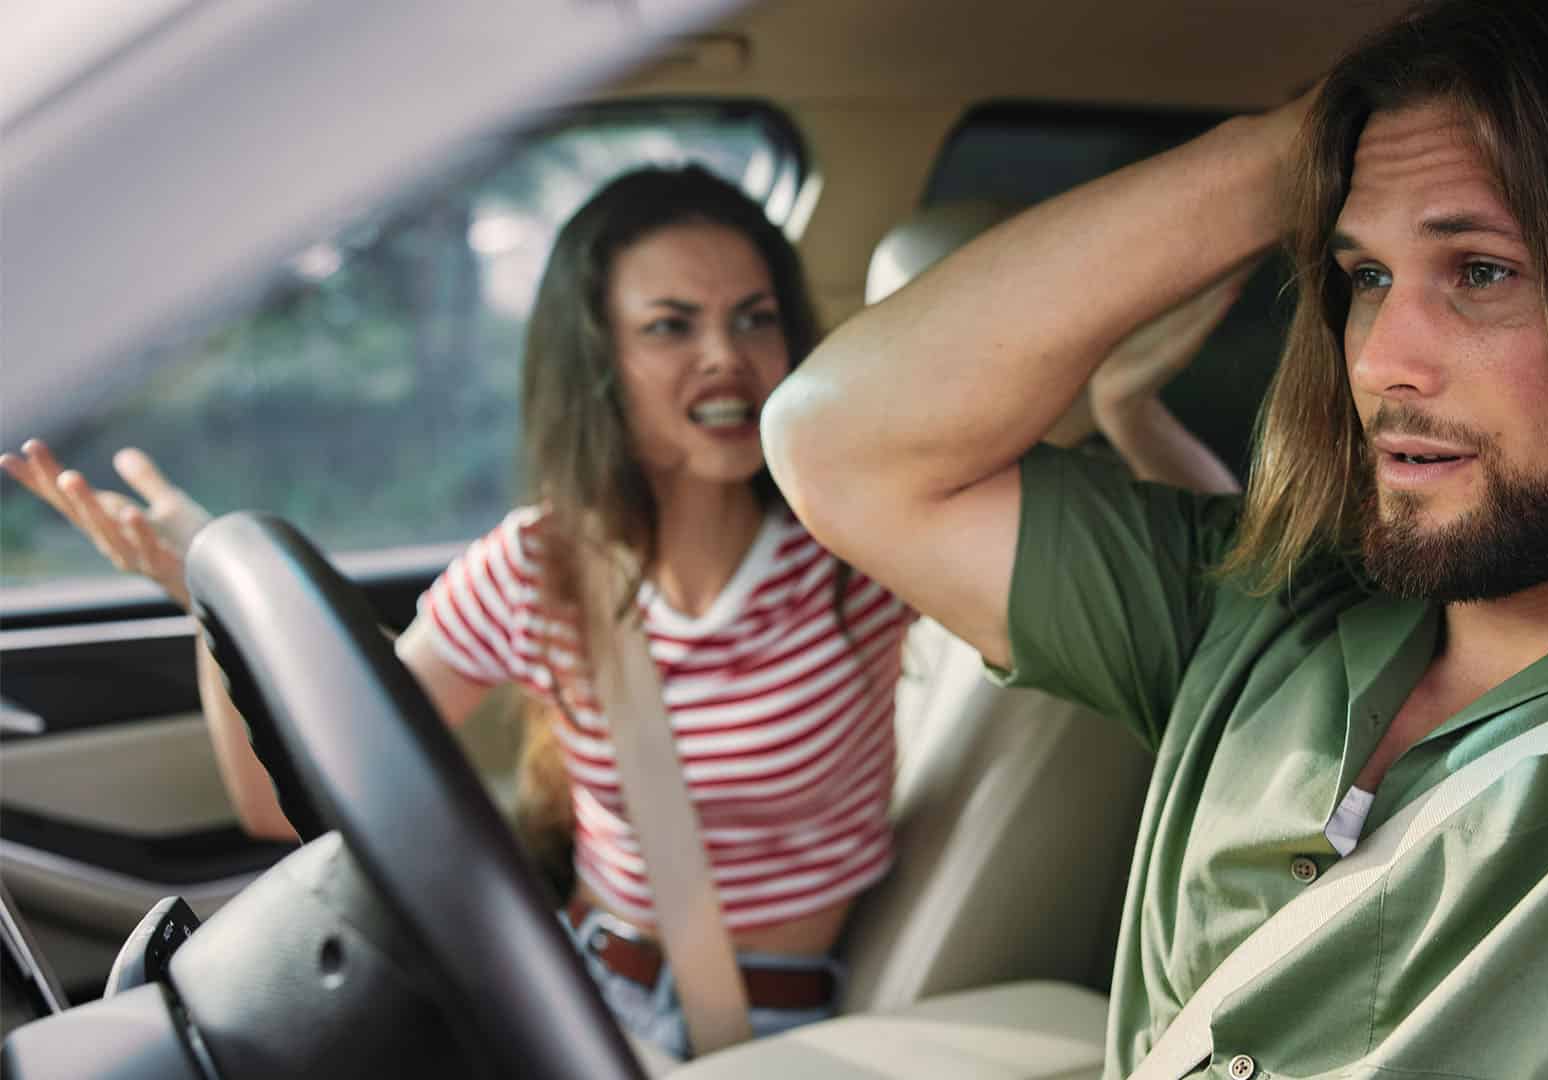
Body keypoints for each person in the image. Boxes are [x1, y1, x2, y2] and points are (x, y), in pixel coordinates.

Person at [760, 0, 1548, 1076]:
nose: (1379, 360)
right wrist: (1304, 148)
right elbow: (842, 446)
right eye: (1365, 274)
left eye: (1480, 270)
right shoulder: (1255, 610)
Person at [3, 166, 915, 1060]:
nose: (725, 355)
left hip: (769, 1032)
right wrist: (204, 592)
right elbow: (288, 803)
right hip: (575, 991)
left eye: (754, 318)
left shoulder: (855, 547)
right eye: (671, 326)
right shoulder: (536, 567)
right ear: (598, 360)